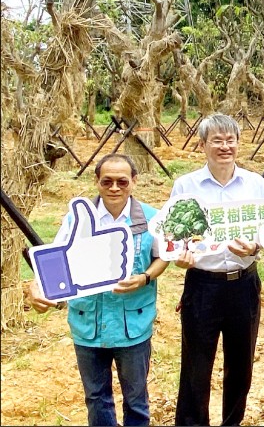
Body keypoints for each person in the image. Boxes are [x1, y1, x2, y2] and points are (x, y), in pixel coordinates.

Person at [27, 153, 167, 426]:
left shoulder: (152, 218)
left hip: (133, 325)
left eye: (122, 182)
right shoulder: (77, 219)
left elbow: (162, 256)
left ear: (134, 182)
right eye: (108, 181)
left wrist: (145, 278)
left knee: (136, 398)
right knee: (96, 397)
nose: (115, 188)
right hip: (88, 324)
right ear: (97, 182)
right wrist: (37, 287)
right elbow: (56, 258)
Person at [171, 113, 264, 426]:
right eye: (217, 140)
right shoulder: (186, 185)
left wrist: (256, 246)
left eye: (230, 140)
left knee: (241, 363)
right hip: (203, 285)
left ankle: (232, 422)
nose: (224, 146)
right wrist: (180, 255)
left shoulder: (255, 184)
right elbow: (174, 235)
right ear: (202, 144)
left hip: (243, 285)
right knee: (196, 364)